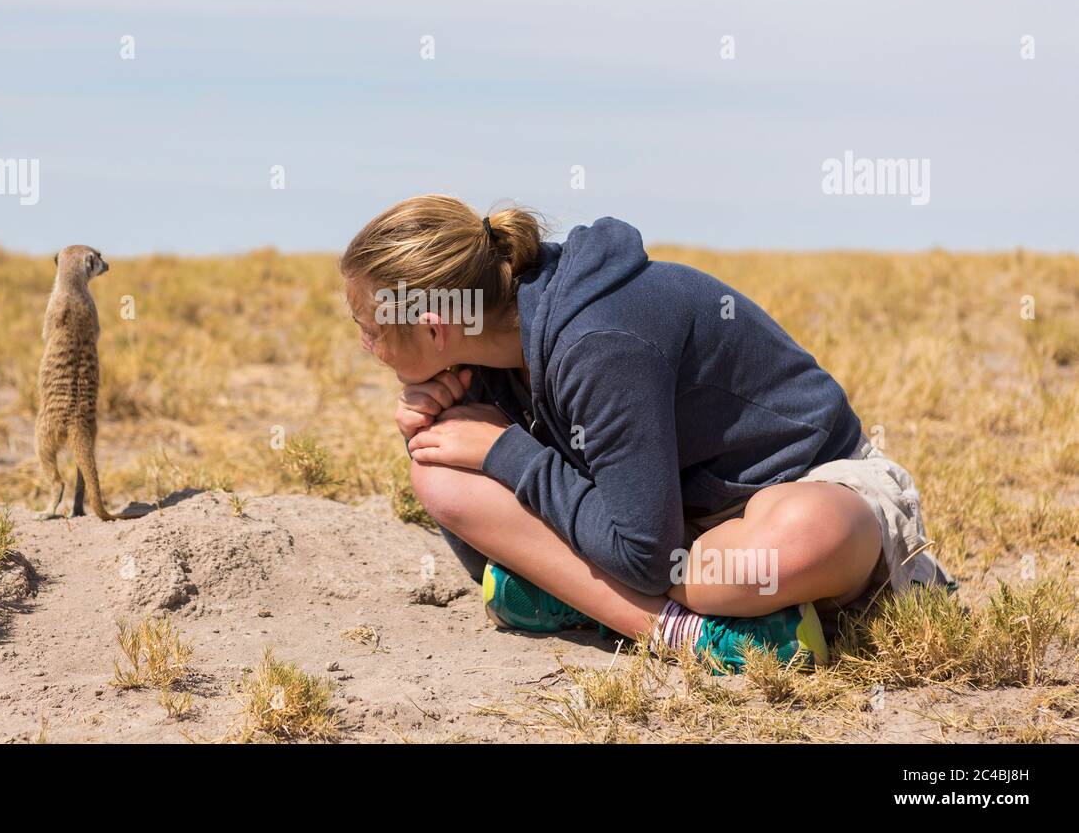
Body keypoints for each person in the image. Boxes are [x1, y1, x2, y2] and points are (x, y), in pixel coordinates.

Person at [341, 194, 953, 672]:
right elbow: (489, 557)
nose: (365, 344)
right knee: (438, 465)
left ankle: (624, 611)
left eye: (368, 326)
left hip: (792, 485)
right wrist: (428, 424)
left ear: (433, 326)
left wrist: (508, 453)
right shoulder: (481, 355)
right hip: (661, 527)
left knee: (799, 538)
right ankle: (694, 632)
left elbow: (644, 555)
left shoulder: (600, 341)